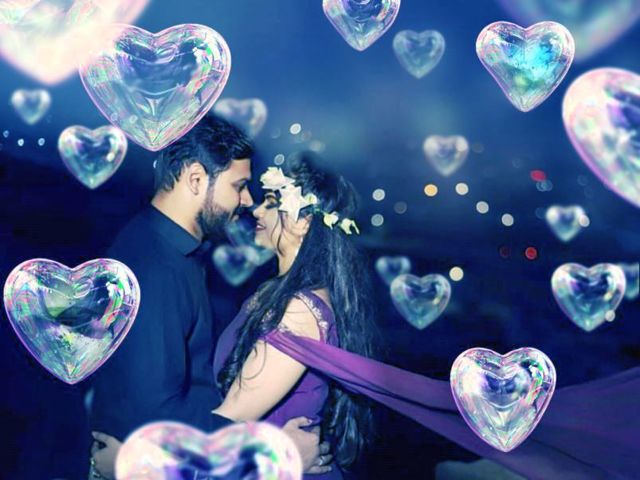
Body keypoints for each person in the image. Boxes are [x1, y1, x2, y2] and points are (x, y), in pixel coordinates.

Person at [95, 154, 640, 479]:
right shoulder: (276, 293)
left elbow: (231, 420)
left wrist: (138, 464)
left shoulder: (300, 311)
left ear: (303, 222)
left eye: (270, 203)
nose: (254, 210)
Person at [89, 117, 331, 479]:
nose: (247, 201)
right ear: (196, 179)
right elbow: (154, 416)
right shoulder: (154, 267)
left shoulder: (172, 251)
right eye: (239, 186)